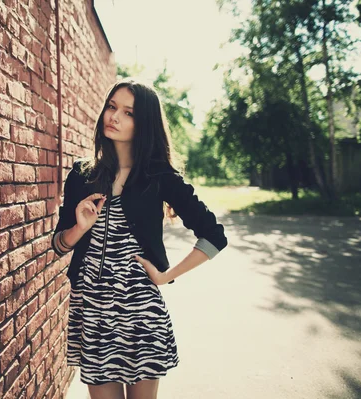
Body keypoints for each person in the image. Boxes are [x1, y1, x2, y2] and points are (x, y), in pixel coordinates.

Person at [51, 78, 227, 399]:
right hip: (92, 310)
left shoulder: (159, 176)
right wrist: (80, 226)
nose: (113, 117)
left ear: (143, 123)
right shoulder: (82, 174)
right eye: (111, 106)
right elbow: (59, 245)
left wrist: (165, 276)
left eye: (128, 112)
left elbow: (213, 235)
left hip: (139, 313)